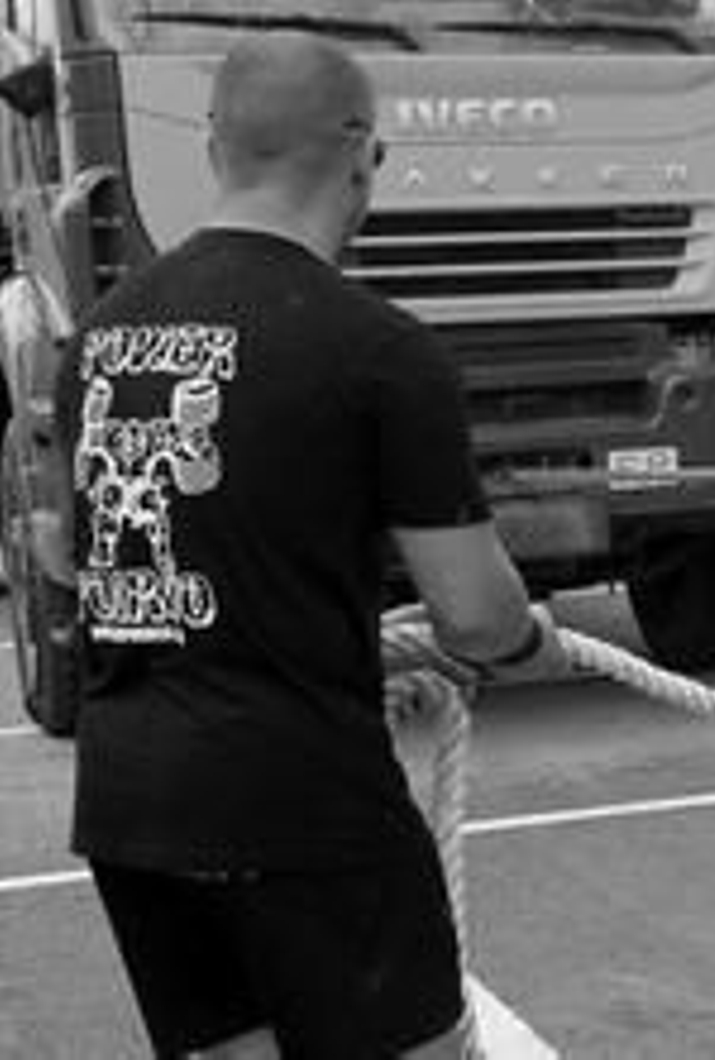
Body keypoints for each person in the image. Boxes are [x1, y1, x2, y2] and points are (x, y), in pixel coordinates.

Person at [37, 34, 565, 1058]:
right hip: (304, 812)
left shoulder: (99, 338)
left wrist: (343, 648)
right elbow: (476, 614)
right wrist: (520, 639)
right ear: (363, 155)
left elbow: (80, 557)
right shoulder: (380, 350)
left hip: (131, 807)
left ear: (214, 149)